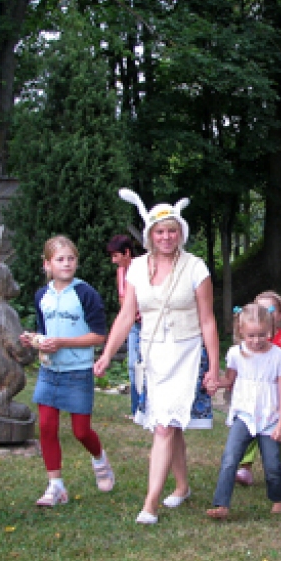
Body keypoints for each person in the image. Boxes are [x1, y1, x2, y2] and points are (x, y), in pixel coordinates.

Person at [94, 190, 220, 525]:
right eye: (160, 231)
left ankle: (150, 503)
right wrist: (108, 353)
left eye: (172, 230)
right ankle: (181, 486)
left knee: (164, 426)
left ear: (181, 233)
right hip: (152, 354)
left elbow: (208, 320)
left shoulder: (196, 268)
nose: (166, 237)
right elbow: (125, 316)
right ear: (150, 235)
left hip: (187, 352)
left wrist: (215, 366)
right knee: (168, 421)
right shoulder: (136, 268)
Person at [22, 236, 114, 507]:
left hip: (78, 371)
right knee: (47, 427)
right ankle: (55, 486)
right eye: (60, 259)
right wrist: (34, 339)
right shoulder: (42, 296)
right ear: (47, 264)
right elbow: (45, 332)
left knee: (81, 431)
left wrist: (63, 343)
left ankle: (100, 459)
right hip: (50, 370)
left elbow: (98, 336)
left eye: (71, 259)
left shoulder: (85, 293)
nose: (66, 264)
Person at [208, 304, 281, 519]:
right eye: (251, 336)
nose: (256, 340)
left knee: (272, 464)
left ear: (271, 331)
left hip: (270, 417)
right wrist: (217, 383)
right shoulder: (236, 354)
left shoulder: (279, 357)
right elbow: (230, 380)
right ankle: (222, 504)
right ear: (241, 332)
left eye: (262, 335)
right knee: (230, 458)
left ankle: (277, 499)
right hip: (244, 414)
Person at [235, 291, 281, 486]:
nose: (266, 314)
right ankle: (245, 467)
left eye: (271, 310)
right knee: (251, 429)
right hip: (256, 397)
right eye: (261, 309)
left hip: (280, 396)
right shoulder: (252, 341)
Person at [107, 234, 143, 414]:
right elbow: (122, 298)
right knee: (132, 365)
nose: (114, 260)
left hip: (148, 324)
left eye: (116, 256)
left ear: (127, 253)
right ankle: (136, 408)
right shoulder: (121, 272)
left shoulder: (142, 268)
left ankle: (147, 407)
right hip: (133, 324)